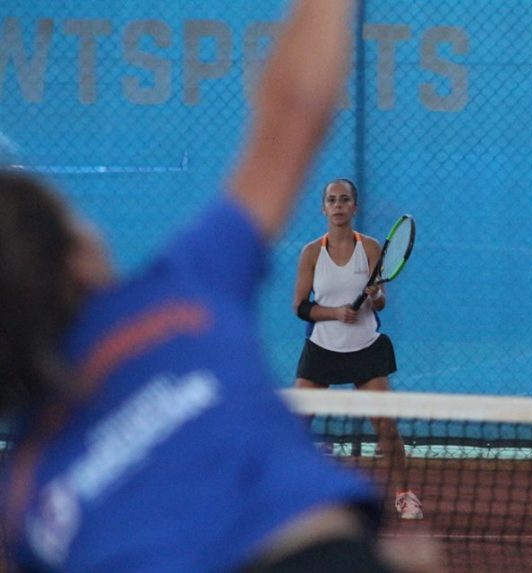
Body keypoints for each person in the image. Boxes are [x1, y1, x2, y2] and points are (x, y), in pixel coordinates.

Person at [0, 2, 437, 572]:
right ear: (77, 262)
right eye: (73, 219)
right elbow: (293, 112)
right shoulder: (182, 294)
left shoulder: (22, 501)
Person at [293, 178, 423, 521]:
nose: (338, 205)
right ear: (323, 208)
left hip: (365, 348)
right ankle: (281, 497)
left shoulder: (370, 248)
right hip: (322, 349)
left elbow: (380, 302)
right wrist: (335, 313)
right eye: (331, 200)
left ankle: (404, 495)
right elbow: (300, 307)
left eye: (344, 199)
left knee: (386, 426)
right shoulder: (311, 253)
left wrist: (375, 296)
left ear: (355, 207)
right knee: (295, 425)